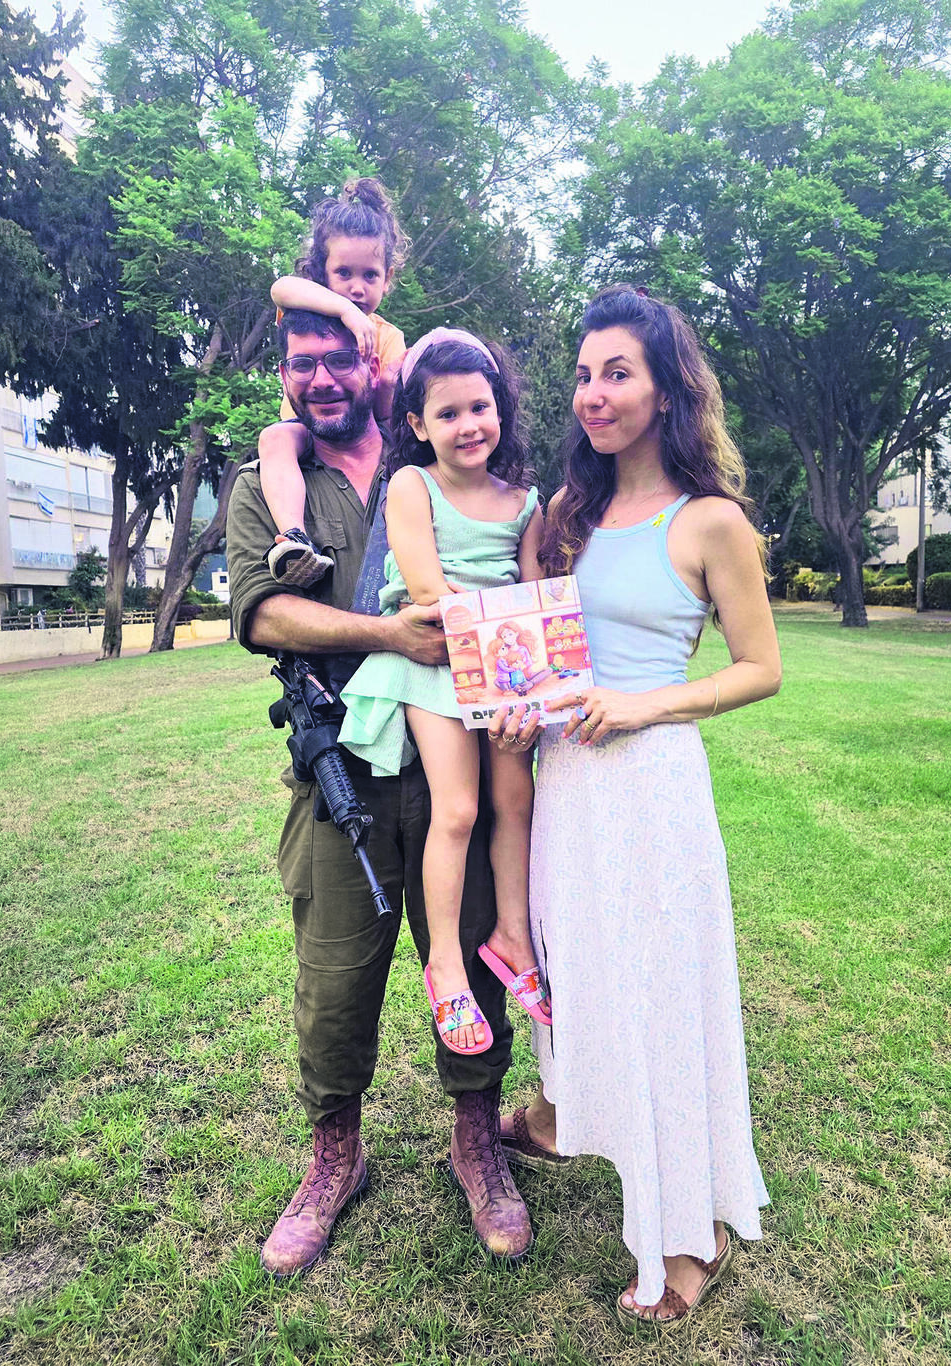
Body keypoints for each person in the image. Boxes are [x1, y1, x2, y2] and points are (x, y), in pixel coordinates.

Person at [488, 286, 782, 1326]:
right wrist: (517, 714)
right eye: (581, 373)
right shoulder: (560, 518)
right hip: (565, 788)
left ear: (665, 390)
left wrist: (641, 703)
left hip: (653, 788)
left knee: (662, 995)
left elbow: (759, 669)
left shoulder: (711, 521)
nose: (593, 393)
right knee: (582, 975)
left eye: (617, 371)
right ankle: (566, 1113)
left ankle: (686, 1236)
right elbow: (526, 654)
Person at [226, 308, 534, 1277]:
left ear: (373, 366)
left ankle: (476, 1138)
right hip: (344, 770)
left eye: (336, 358)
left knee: (476, 948)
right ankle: (334, 1158)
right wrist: (388, 635)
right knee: (333, 981)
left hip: (458, 753)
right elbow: (264, 611)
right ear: (285, 375)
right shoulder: (266, 487)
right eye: (299, 363)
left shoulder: (435, 456)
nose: (319, 378)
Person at [339, 329, 551, 1057]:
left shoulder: (527, 502)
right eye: (450, 413)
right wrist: (503, 632)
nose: (469, 426)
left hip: (509, 667)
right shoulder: (411, 485)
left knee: (515, 803)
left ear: (502, 412)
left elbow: (533, 590)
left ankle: (512, 936)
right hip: (436, 656)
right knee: (458, 810)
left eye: (480, 408)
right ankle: (446, 965)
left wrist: (532, 671)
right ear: (418, 425)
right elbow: (427, 588)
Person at [260, 179, 409, 588]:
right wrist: (344, 310)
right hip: (306, 430)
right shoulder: (306, 314)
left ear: (387, 277)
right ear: (321, 272)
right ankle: (293, 536)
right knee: (274, 441)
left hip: (359, 436)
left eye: (370, 275)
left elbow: (383, 412)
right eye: (343, 273)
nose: (357, 287)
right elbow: (279, 287)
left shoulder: (387, 334)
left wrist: (393, 383)